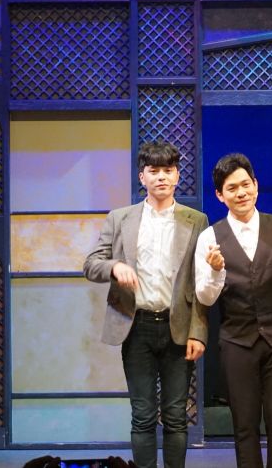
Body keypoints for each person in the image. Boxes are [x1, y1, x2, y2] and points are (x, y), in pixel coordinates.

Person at [84, 142, 209, 468]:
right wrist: (114, 266)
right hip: (136, 326)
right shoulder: (120, 218)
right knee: (142, 415)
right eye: (154, 171)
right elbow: (91, 264)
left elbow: (201, 282)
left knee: (176, 415)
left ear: (177, 176)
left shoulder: (196, 220)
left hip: (177, 326)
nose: (161, 177)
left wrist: (198, 331)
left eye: (168, 170)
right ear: (143, 177)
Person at [194, 153, 272, 468]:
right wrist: (216, 271)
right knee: (244, 426)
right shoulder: (209, 237)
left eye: (246, 184)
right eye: (232, 188)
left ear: (256, 185)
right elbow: (205, 297)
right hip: (237, 341)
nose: (241, 193)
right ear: (220, 195)